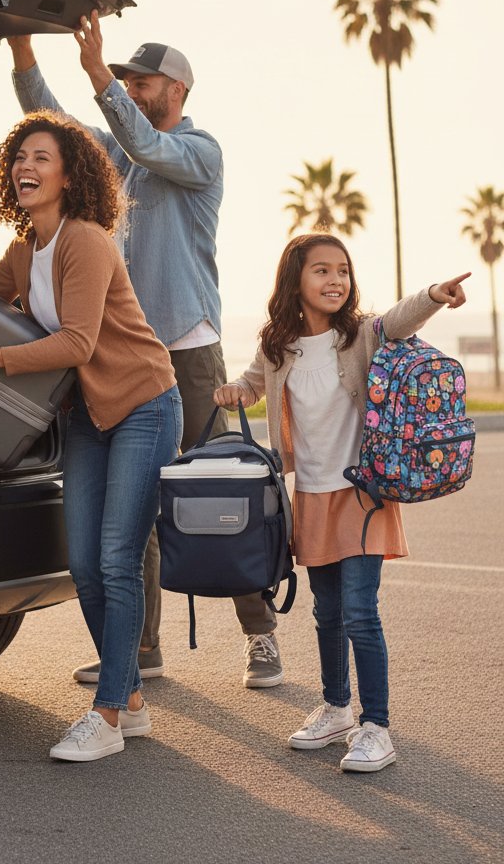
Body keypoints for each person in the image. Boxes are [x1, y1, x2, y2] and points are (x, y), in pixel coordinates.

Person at [8, 12, 282, 689]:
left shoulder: (198, 152)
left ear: (178, 90)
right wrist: (21, 52)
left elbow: (139, 138)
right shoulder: (118, 156)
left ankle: (261, 636)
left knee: (221, 496)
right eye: (125, 79)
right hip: (120, 363)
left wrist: (100, 75)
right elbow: (57, 126)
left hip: (187, 357)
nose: (130, 87)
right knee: (137, 515)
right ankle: (141, 648)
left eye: (141, 80)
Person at [0, 111, 182, 762]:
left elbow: (77, 341)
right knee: (83, 566)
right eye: (19, 157)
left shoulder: (86, 241)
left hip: (144, 404)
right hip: (87, 416)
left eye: (41, 158)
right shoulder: (24, 251)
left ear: (70, 176)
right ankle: (130, 702)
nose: (26, 167)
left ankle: (105, 715)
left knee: (117, 561)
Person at [213, 233, 469, 772]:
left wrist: (434, 294)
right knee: (325, 611)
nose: (335, 281)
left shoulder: (359, 335)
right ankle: (336, 708)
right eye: (322, 271)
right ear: (295, 282)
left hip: (363, 491)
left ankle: (377, 726)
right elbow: (255, 382)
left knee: (359, 611)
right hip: (309, 494)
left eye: (343, 272)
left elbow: (400, 319)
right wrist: (236, 388)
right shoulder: (277, 345)